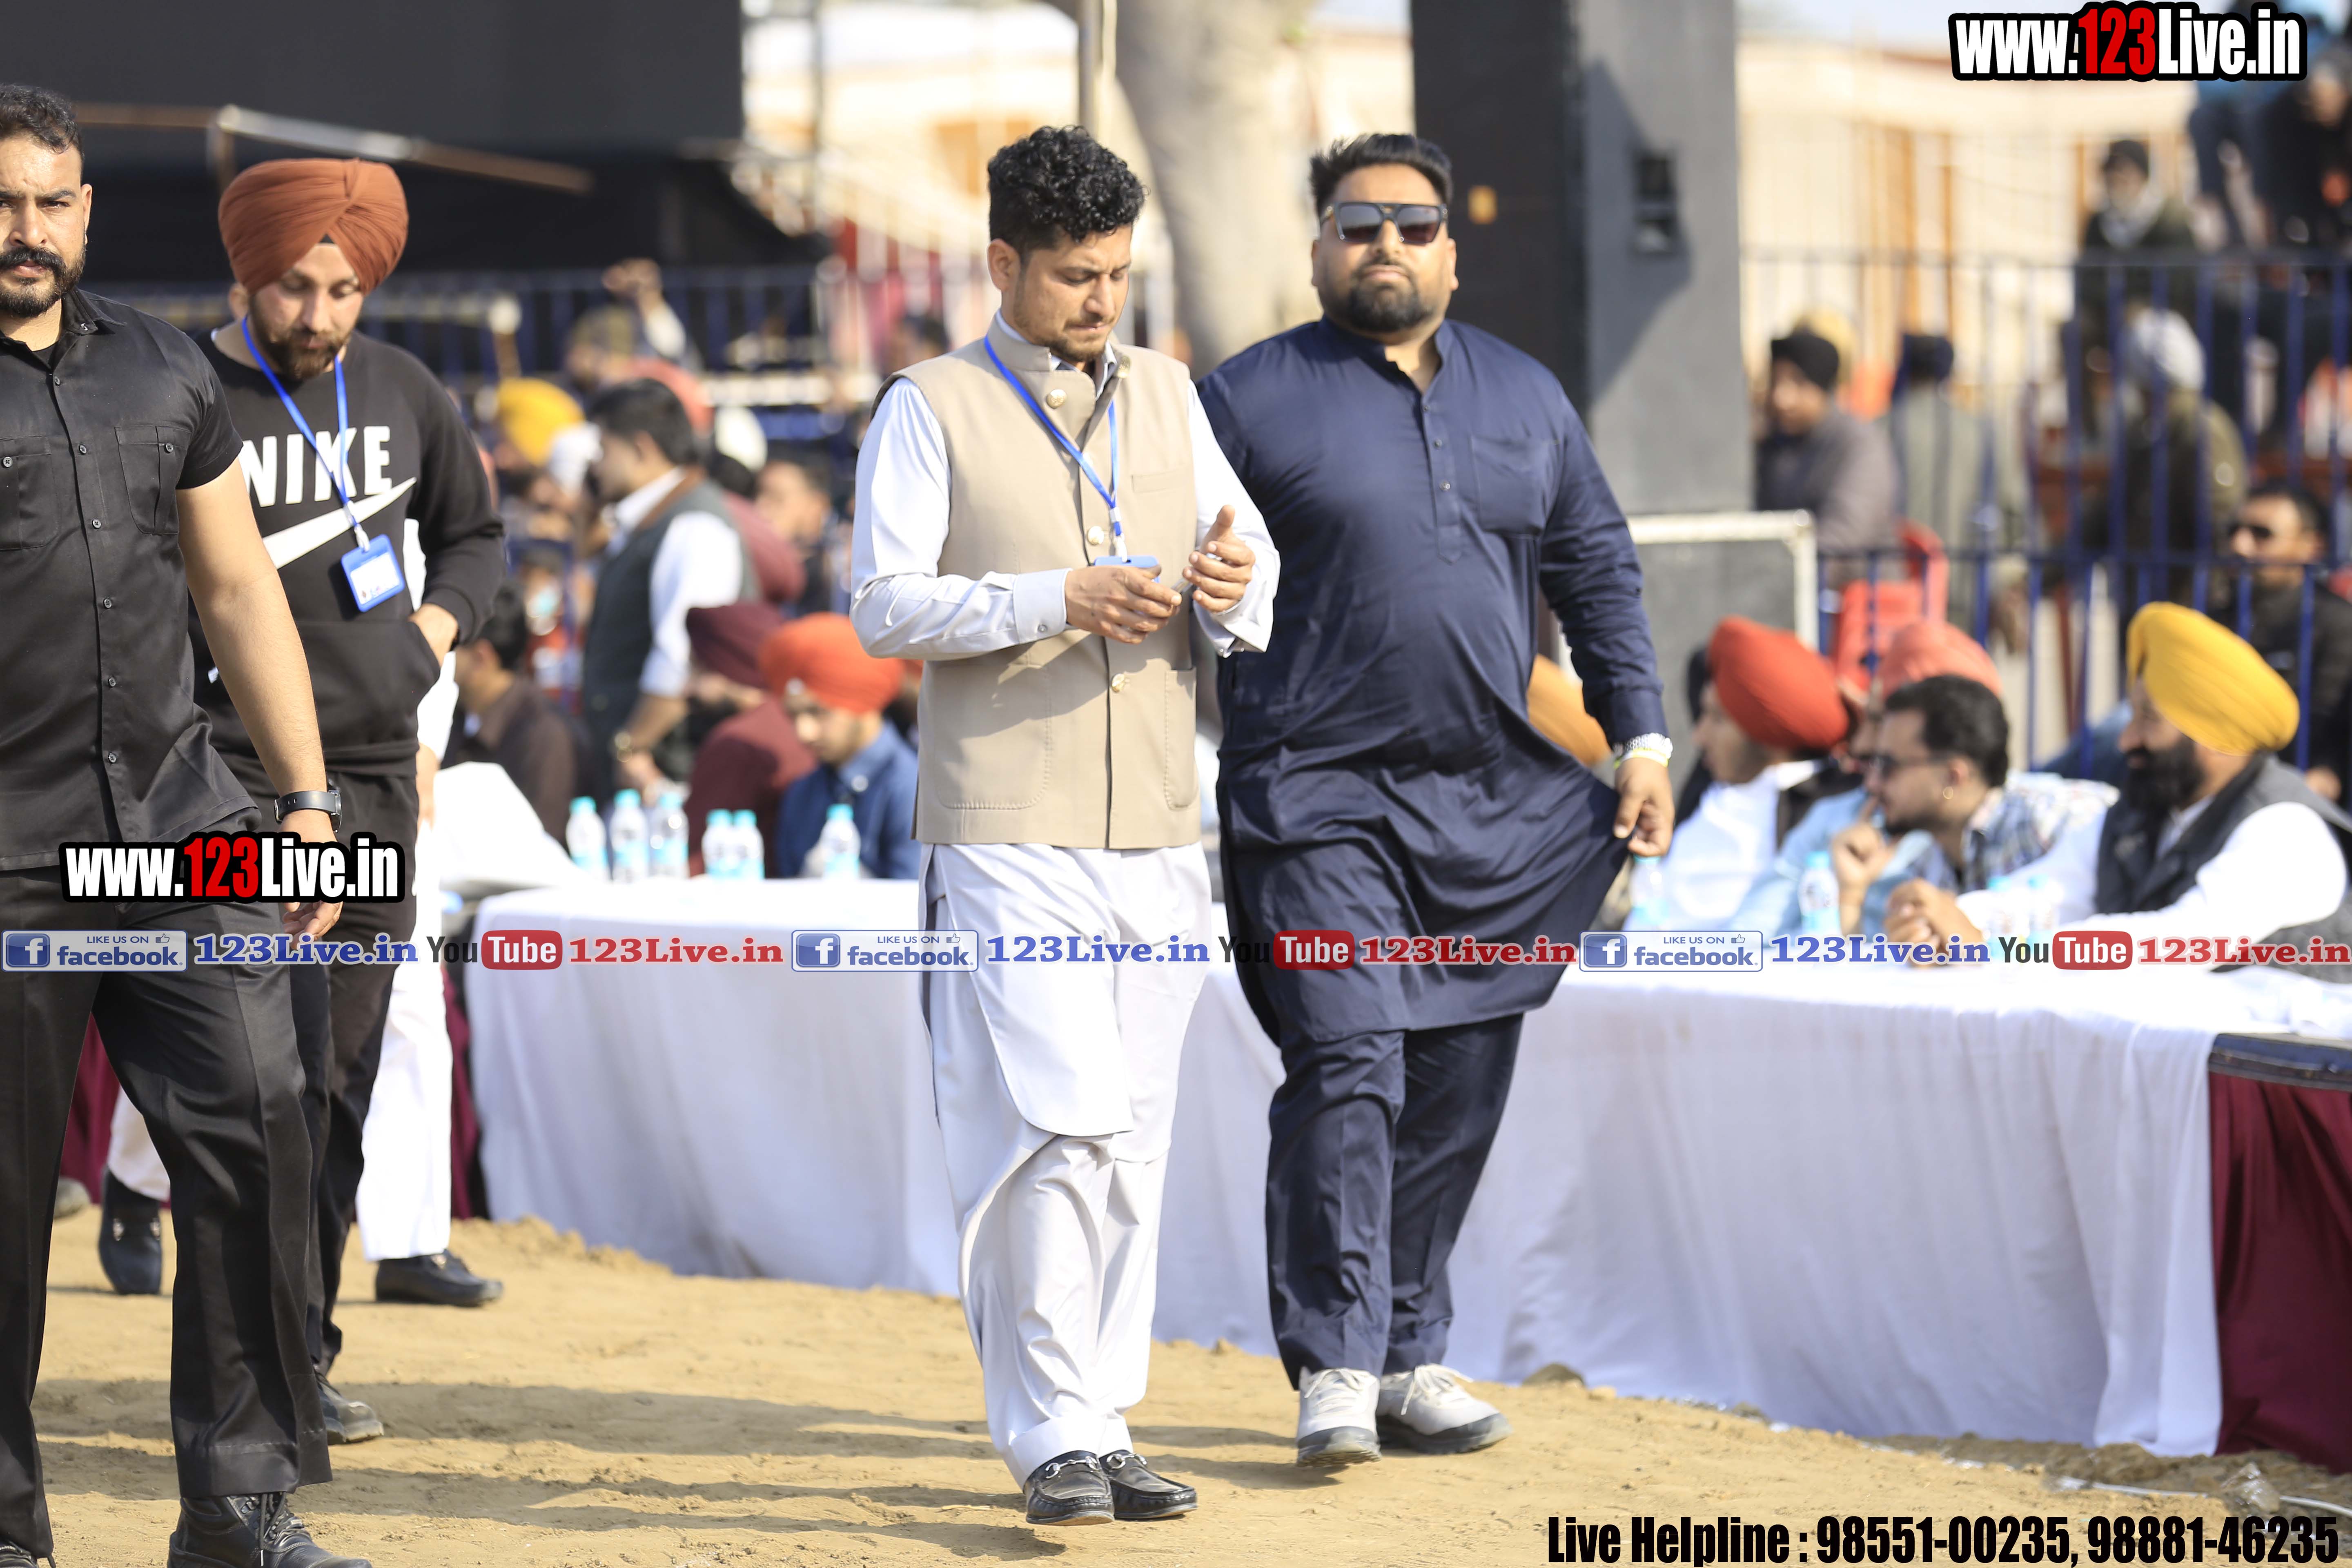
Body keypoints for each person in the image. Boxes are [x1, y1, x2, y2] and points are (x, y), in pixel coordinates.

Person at [1198, 131, 1670, 1469]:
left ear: (1453, 251)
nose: (1386, 246)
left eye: (1413, 225)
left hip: (1490, 803)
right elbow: (1168, 574)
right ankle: (1338, 1362)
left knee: (1460, 1074)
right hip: (1312, 799)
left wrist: (1642, 739)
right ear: (1319, 248)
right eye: (1359, 225)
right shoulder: (1245, 400)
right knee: (1350, 1057)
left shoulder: (1527, 397)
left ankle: (1408, 1354)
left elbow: (1597, 571)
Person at [851, 125, 1277, 1525]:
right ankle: (1047, 1433)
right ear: (1003, 264)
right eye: (1076, 275)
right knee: (1053, 1124)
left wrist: (1233, 584)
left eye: (1117, 274)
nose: (1102, 300)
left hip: (1158, 820)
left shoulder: (1169, 392)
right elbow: (884, 606)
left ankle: (1105, 1416)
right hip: (1004, 825)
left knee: (1135, 1133)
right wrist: (1057, 598)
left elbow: (1253, 564)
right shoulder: (929, 405)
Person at [0, 85, 368, 1568]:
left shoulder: (164, 371)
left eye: (51, 202)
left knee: (262, 1125)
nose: (26, 229)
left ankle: (238, 1506)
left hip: (180, 826)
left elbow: (236, 591)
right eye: (3, 201)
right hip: (8, 854)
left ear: (88, 213)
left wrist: (309, 799)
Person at [171, 155, 504, 1444]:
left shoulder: (407, 391)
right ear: (245, 274)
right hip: (230, 780)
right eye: (296, 287)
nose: (320, 315)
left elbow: (478, 538)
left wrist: (429, 636)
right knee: (264, 1077)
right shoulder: (183, 393)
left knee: (341, 1082)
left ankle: (300, 1351)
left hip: (371, 783)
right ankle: (250, 1359)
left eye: (345, 290)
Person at [1889, 604, 2352, 974]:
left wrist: (1994, 946)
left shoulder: (2286, 829)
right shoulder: (2141, 815)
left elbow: (2180, 943)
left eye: (2148, 719)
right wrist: (1945, 919)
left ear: (2212, 734)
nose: (2128, 740)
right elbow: (2049, 893)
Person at [1820, 675, 2112, 936]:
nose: (1871, 784)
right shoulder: (1930, 862)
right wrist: (1852, 894)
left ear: (1953, 777)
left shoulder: (2057, 817)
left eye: (1888, 766)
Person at [578, 379, 756, 802]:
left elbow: (680, 658)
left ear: (641, 449)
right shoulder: (657, 519)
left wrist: (631, 747)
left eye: (604, 449)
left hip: (668, 775)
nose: (596, 466)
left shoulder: (695, 526)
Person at [1635, 617, 1850, 931]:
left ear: (1768, 736)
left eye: (1717, 719)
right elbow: (1701, 662)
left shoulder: (1823, 810)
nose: (1698, 737)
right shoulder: (1711, 782)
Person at [2081, 309, 2248, 597]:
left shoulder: (2200, 430)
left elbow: (2221, 525)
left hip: (2185, 603)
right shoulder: (2149, 429)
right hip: (2145, 595)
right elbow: (2109, 514)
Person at [2215, 482, 2352, 800]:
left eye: (2262, 534)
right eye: (2235, 530)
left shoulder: (2336, 623)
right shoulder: (2215, 615)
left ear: (2311, 545)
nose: (2240, 545)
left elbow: (2326, 735)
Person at [766, 614, 920, 880]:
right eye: (793, 715)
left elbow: (912, 898)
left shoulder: (913, 790)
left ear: (863, 702)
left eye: (818, 712)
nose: (804, 733)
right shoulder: (803, 792)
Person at [1755, 329, 1899, 587]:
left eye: (1798, 383)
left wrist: (1773, 576)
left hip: (1858, 597)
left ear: (1822, 387)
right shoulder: (1774, 443)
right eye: (1776, 382)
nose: (1781, 399)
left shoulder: (1859, 444)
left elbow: (1844, 536)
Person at [682, 602, 811, 871]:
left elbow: (694, 860)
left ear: (724, 666)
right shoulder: (801, 720)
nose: (687, 688)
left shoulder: (737, 743)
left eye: (696, 667)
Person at [449, 582, 581, 838]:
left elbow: (542, 844)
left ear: (480, 658)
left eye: (450, 646)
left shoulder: (543, 735)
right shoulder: (454, 716)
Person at [757, 449, 846, 617]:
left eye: (777, 498)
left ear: (817, 507)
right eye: (756, 495)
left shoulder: (842, 579)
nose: (760, 508)